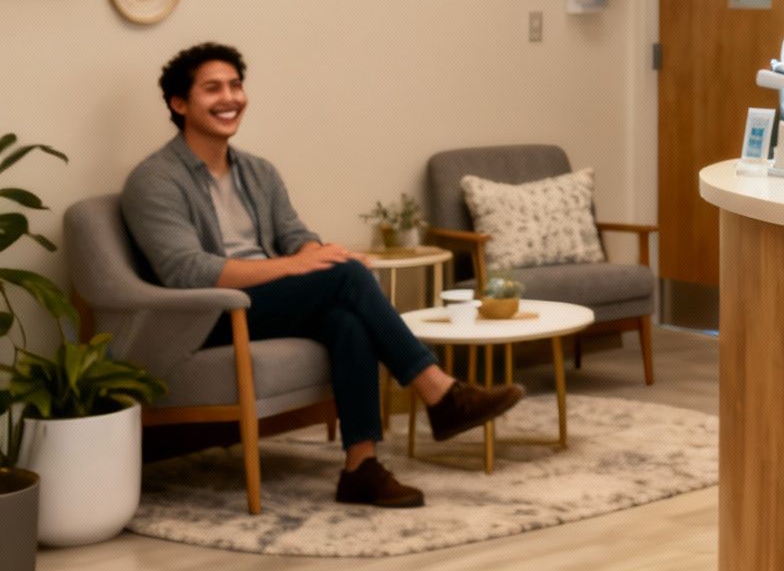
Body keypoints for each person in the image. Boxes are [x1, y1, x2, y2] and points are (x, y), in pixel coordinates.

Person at [121, 43, 526, 509]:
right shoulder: (155, 180)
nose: (230, 97)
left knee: (345, 316)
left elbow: (295, 234)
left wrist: (315, 254)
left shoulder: (256, 171)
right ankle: (439, 392)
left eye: (236, 85)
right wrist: (298, 265)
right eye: (212, 88)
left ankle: (361, 467)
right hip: (206, 314)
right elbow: (186, 271)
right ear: (179, 104)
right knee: (349, 276)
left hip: (264, 304)